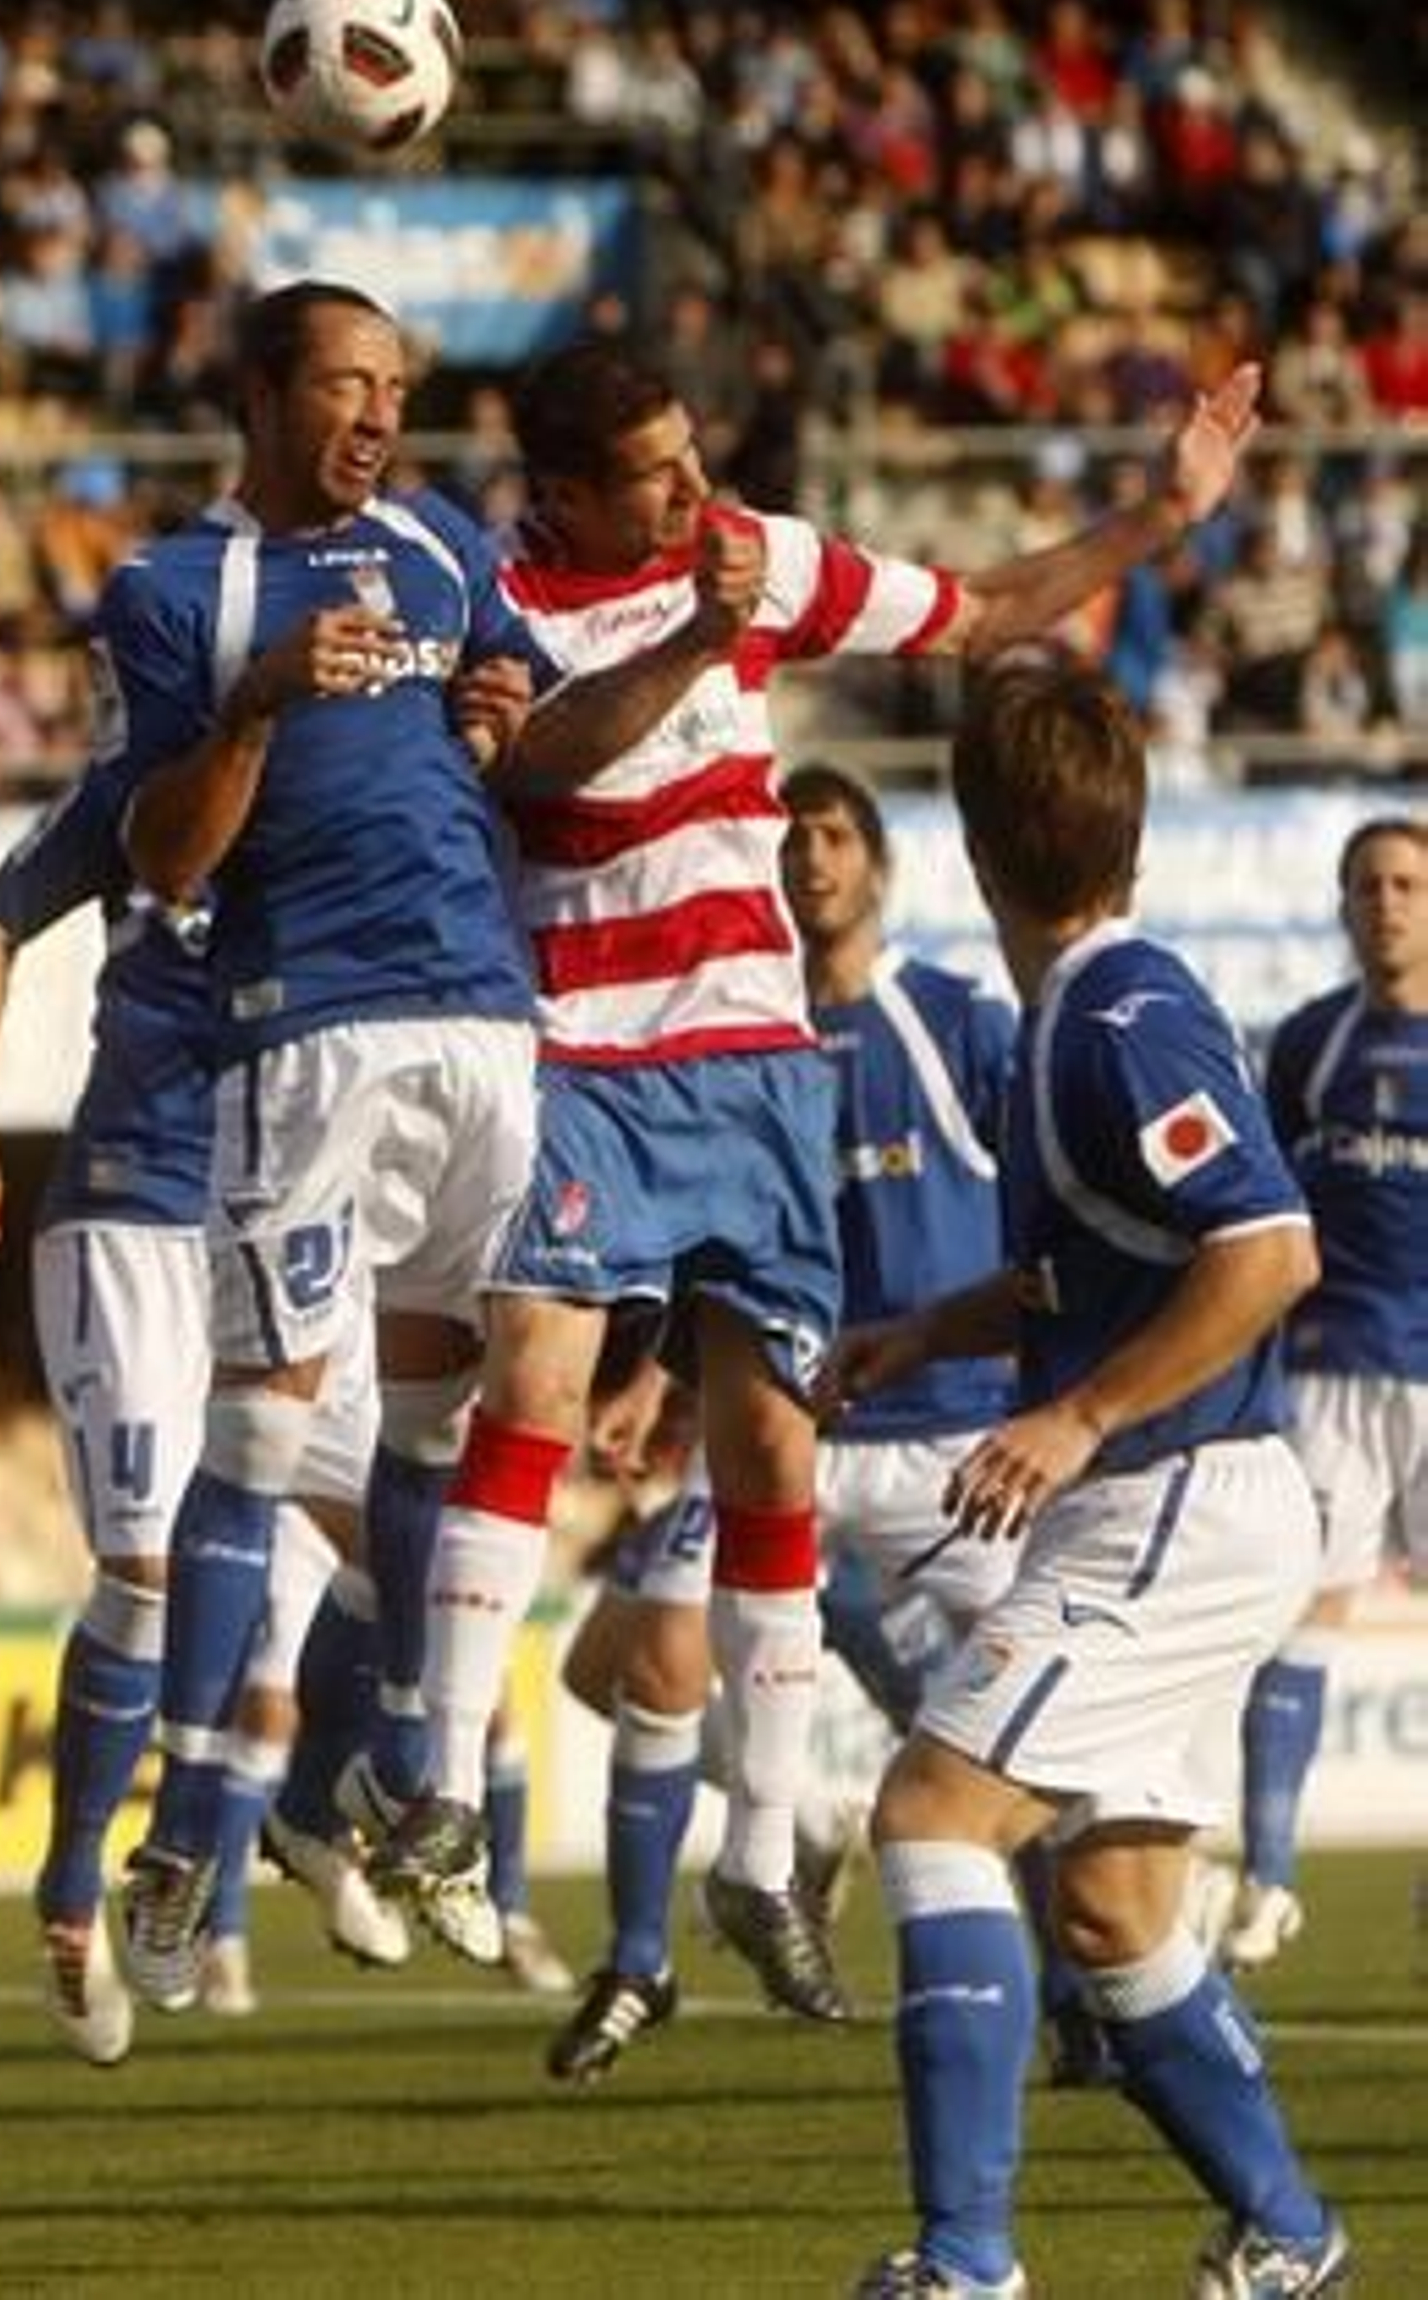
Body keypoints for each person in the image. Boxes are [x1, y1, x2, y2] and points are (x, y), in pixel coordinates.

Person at [369, 336, 1266, 2015]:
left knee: (773, 1448)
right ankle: (427, 1780)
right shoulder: (504, 601)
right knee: (542, 1374)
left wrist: (1165, 508)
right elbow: (538, 773)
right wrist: (708, 636)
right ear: (565, 492)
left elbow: (988, 607)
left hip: (762, 1075)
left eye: (697, 448)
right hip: (591, 1056)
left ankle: (762, 1853)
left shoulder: (761, 555)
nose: (695, 488)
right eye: (654, 469)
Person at [104, 281, 745, 1996]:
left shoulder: (448, 545)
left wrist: (499, 717)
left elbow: (522, 734)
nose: (378, 414)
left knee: (444, 1434)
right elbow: (164, 861)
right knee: (255, 1446)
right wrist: (248, 707)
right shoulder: (178, 586)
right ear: (257, 392)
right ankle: (183, 1832)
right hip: (306, 1034)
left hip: (484, 1024)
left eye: (395, 384)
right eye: (342, 384)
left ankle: (397, 1770)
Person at [828, 663, 1347, 2300]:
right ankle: (1292, 2232)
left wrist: (1075, 1418)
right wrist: (933, 1331)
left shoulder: (1125, 1018)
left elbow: (1268, 1251)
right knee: (1113, 1905)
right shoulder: (1075, 1020)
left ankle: (967, 2260)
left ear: (971, 845)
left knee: (931, 1811)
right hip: (1186, 1488)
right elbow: (1092, 1274)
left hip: (1180, 1487)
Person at [545, 762, 1021, 2079]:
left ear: (875, 862)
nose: (809, 860)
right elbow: (717, 1245)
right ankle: (645, 1958)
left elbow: (1046, 1199)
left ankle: (1098, 1987)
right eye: (790, 840)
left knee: (1023, 1721)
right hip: (779, 1416)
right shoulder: (735, 1037)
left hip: (939, 1427)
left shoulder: (954, 1022)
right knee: (633, 1664)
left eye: (831, 836)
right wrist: (656, 1379)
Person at [0, 770, 396, 2063]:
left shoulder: (362, 783)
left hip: (293, 1221)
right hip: (133, 1213)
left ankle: (303, 1806)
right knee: (139, 1575)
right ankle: (75, 1888)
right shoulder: (132, 795)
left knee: (416, 1538)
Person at [1223, 814, 1428, 1972]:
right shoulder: (1308, 1043)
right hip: (1333, 1368)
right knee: (1298, 1618)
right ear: (1344, 904)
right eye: (1367, 884)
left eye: (1405, 883)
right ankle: (1269, 1875)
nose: (1386, 902)